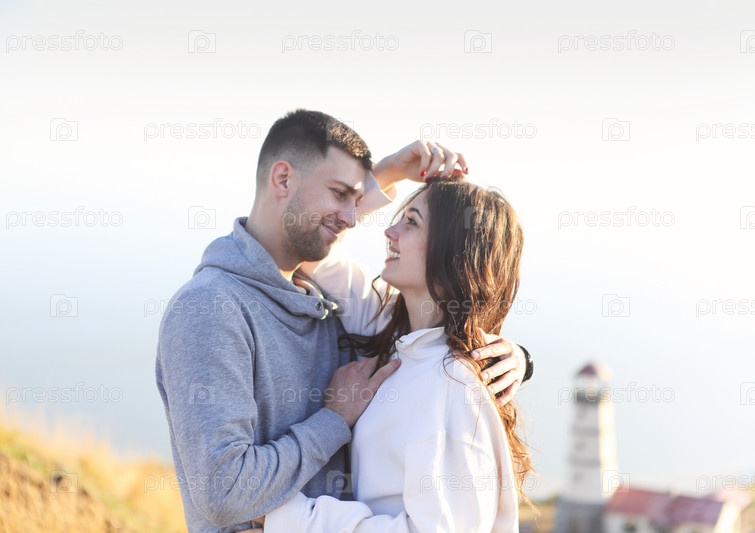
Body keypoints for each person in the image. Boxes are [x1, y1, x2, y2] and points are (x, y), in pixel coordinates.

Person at [155, 109, 533, 532]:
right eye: (339, 194)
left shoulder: (351, 320)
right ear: (282, 179)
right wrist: (335, 419)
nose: (356, 219)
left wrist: (515, 358)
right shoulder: (212, 308)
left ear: (453, 257)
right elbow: (225, 492)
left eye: (409, 222)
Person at [256, 177, 533, 531]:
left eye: (412, 222)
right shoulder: (396, 340)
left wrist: (294, 518)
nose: (390, 231)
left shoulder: (453, 384)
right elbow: (315, 252)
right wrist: (389, 171)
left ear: (455, 252)